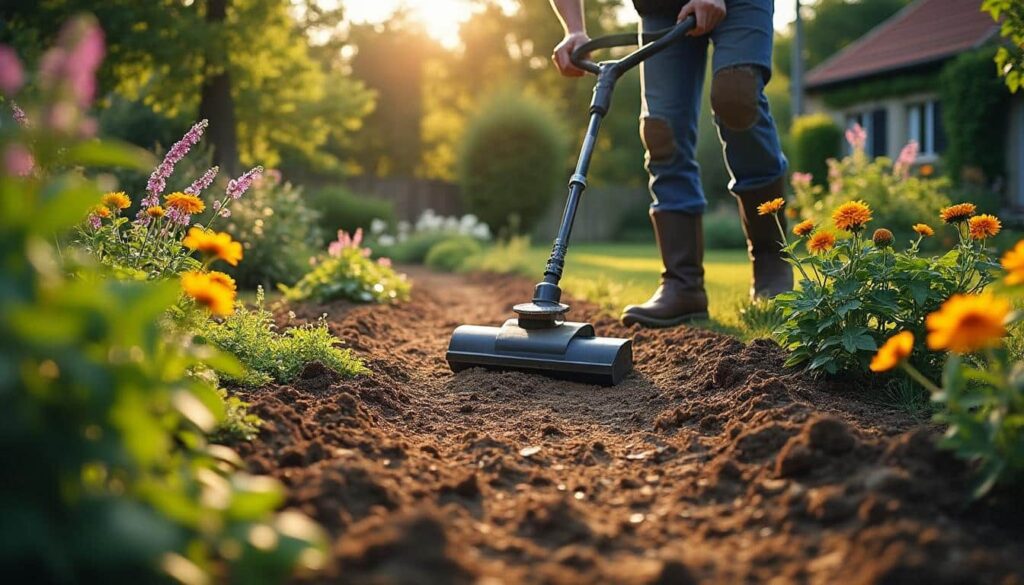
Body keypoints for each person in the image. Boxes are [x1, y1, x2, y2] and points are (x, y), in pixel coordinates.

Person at [549, 0, 792, 327]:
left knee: (737, 96)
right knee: (661, 131)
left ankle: (770, 263)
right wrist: (574, 28)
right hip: (661, 6)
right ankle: (682, 284)